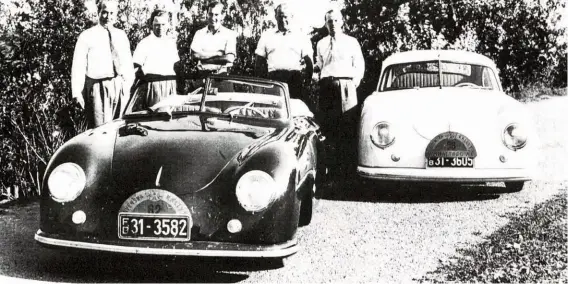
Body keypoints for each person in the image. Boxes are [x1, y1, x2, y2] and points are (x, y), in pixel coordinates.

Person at [315, 8, 365, 175]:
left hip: (346, 87)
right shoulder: (321, 43)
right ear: (325, 24)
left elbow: (359, 65)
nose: (333, 24)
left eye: (336, 20)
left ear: (341, 22)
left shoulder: (351, 42)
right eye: (330, 21)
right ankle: (332, 172)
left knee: (347, 127)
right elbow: (320, 66)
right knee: (329, 127)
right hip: (327, 88)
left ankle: (349, 173)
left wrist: (351, 85)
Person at [71, 0, 134, 129]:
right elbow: (78, 65)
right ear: (98, 12)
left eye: (111, 13)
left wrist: (126, 85)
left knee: (119, 127)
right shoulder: (87, 36)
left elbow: (127, 63)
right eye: (104, 12)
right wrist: (77, 92)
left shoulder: (121, 35)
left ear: (116, 14)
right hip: (96, 87)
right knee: (99, 130)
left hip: (118, 86)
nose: (108, 16)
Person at [254, 3, 313, 103]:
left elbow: (309, 63)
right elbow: (258, 62)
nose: (283, 20)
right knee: (274, 109)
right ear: (275, 17)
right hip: (274, 79)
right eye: (280, 16)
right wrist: (261, 84)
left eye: (285, 16)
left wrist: (307, 84)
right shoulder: (267, 35)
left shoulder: (300, 36)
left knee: (293, 110)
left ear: (291, 17)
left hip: (294, 79)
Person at [132, 11, 180, 108]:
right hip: (153, 86)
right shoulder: (144, 43)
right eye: (157, 25)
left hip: (170, 84)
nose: (160, 28)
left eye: (163, 24)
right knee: (154, 117)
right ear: (151, 25)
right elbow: (136, 67)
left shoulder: (171, 43)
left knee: (170, 117)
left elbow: (175, 66)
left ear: (168, 25)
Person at [190, 1, 237, 77]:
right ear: (207, 14)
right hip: (202, 76)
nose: (213, 18)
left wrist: (203, 59)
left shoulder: (229, 34)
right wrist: (217, 54)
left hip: (222, 77)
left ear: (222, 15)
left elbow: (229, 58)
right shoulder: (199, 33)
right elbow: (194, 56)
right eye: (210, 14)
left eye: (216, 15)